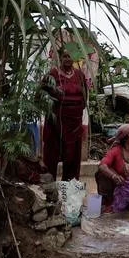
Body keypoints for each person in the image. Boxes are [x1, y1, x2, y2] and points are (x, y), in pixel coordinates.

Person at [41, 47, 90, 181]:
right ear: (60, 58)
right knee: (52, 155)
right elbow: (40, 95)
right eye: (65, 56)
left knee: (72, 156)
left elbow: (85, 97)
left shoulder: (80, 75)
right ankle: (50, 187)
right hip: (56, 123)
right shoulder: (52, 74)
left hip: (74, 122)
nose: (67, 59)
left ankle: (69, 186)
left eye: (70, 56)